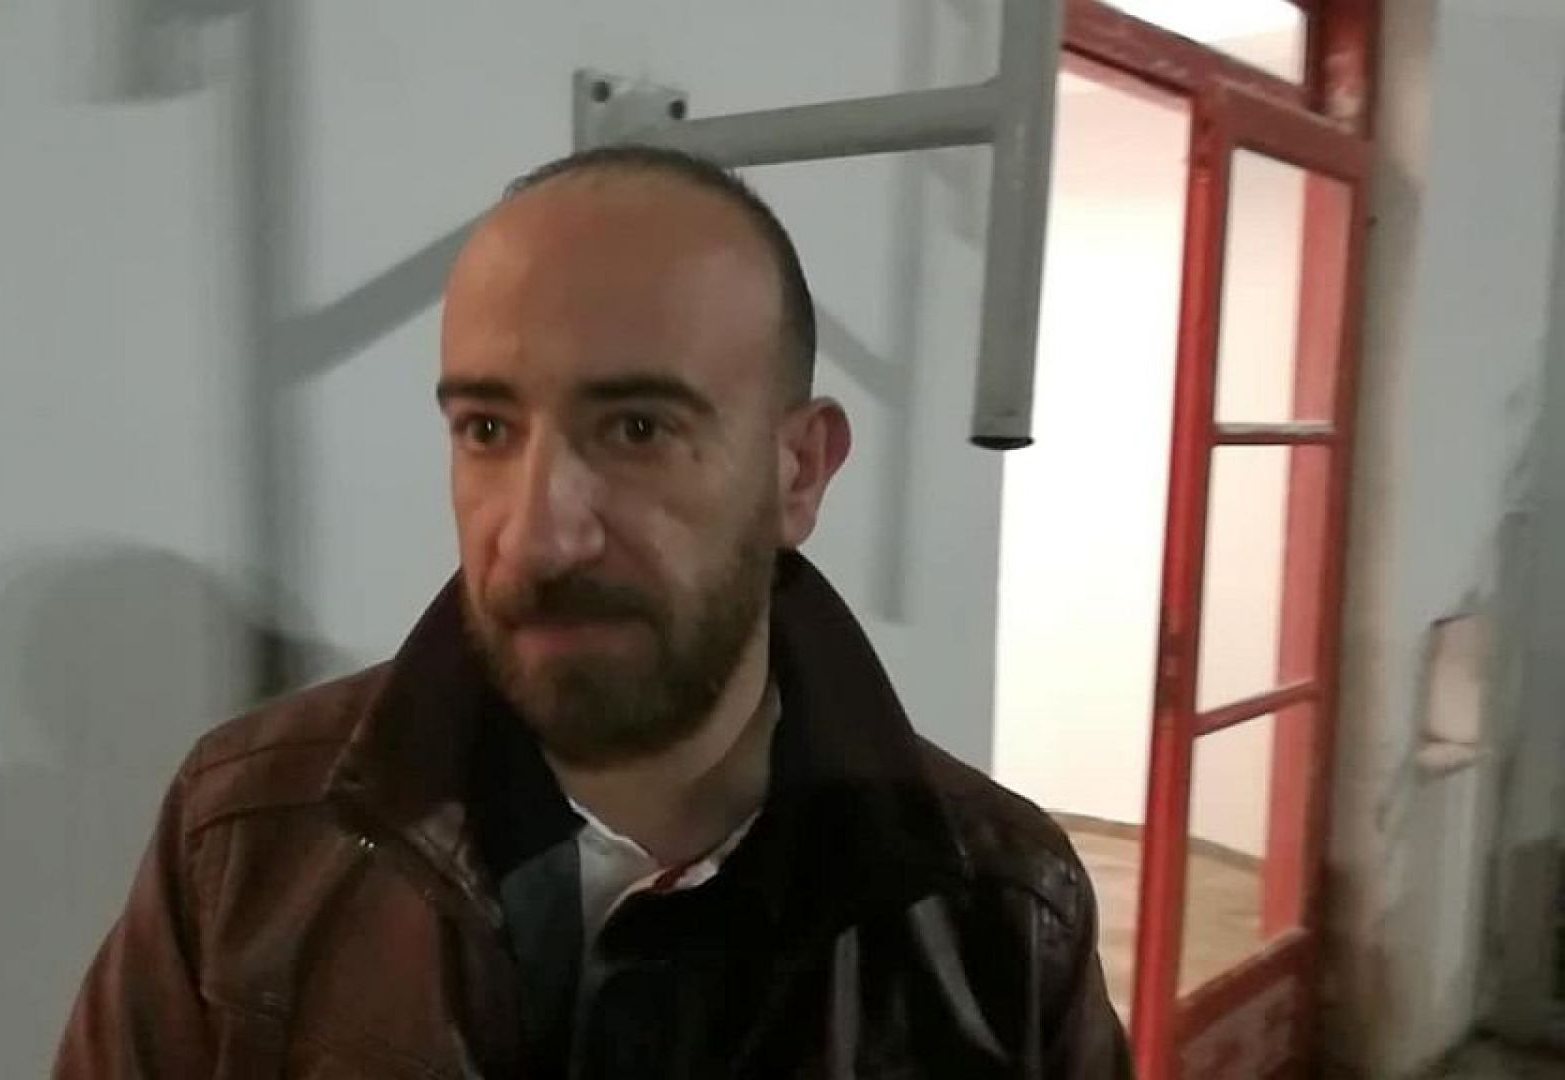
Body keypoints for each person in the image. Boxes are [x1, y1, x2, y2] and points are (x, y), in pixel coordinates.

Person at [56, 145, 1131, 1078]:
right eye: (487, 430)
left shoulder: (999, 911)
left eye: (638, 430)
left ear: (798, 472)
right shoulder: (243, 835)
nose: (537, 537)